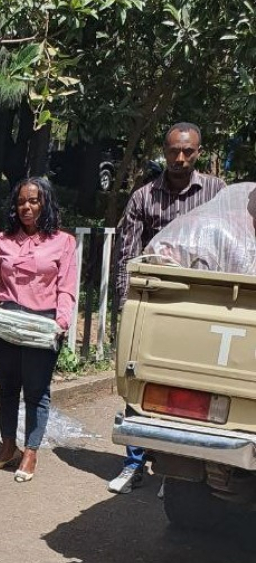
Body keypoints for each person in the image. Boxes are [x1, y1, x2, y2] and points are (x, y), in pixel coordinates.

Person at [110, 121, 225, 493]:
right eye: (173, 150)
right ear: (164, 150)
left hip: (204, 306)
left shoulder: (216, 192)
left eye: (187, 151)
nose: (179, 158)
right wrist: (126, 309)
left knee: (196, 388)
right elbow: (126, 255)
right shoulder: (144, 198)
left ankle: (181, 469)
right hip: (156, 307)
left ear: (198, 152)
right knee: (143, 380)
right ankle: (134, 463)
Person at [0, 178, 77, 482]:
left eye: (34, 201)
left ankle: (31, 451)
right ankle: (8, 447)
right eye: (21, 201)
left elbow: (67, 287)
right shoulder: (0, 241)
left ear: (45, 203)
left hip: (42, 325)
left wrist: (61, 322)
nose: (27, 207)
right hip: (6, 322)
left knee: (36, 391)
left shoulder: (63, 242)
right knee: (6, 387)